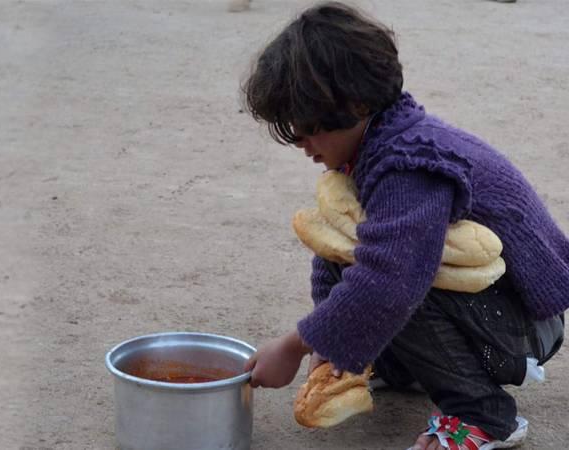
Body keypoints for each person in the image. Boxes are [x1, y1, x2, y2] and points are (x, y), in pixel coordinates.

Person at [240, 2, 566, 449]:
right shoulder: (371, 147)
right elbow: (338, 256)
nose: (302, 144)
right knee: (347, 246)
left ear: (355, 104)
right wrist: (335, 343)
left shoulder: (408, 164)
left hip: (520, 328)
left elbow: (392, 280)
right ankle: (392, 367)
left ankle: (484, 417)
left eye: (308, 128)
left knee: (398, 276)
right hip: (484, 308)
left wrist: (296, 344)